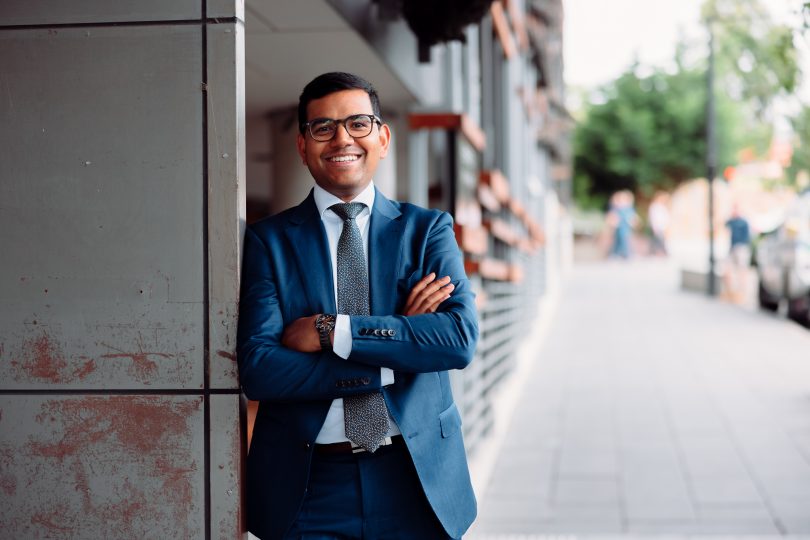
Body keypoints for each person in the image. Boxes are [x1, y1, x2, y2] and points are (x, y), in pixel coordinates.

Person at [237, 72, 479, 540]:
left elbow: (457, 340)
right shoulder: (267, 242)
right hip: (308, 489)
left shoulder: (427, 231)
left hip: (417, 478)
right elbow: (260, 368)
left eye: (358, 123)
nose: (342, 138)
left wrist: (333, 331)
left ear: (383, 138)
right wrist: (396, 348)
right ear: (303, 147)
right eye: (323, 127)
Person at [723, 204, 752, 303]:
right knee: (727, 269)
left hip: (741, 248)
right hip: (732, 248)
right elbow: (724, 224)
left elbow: (747, 237)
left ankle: (742, 291)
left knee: (742, 269)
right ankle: (730, 291)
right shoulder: (732, 221)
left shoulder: (743, 222)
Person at [607, 190, 639, 259]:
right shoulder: (617, 208)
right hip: (619, 227)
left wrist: (634, 222)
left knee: (624, 240)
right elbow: (612, 217)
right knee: (620, 240)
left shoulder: (629, 209)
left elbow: (632, 217)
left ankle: (623, 253)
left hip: (626, 227)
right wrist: (613, 223)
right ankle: (620, 253)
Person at [648, 191, 670, 256]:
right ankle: (664, 252)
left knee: (656, 240)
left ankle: (652, 251)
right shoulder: (654, 206)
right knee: (660, 240)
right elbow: (653, 218)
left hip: (662, 226)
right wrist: (654, 227)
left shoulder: (662, 206)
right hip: (657, 226)